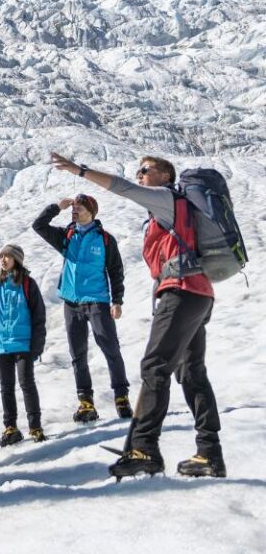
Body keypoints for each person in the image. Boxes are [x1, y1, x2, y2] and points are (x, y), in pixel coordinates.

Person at [51, 152, 226, 480]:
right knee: (191, 373)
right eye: (139, 170)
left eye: (146, 170)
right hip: (198, 294)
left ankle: (144, 448)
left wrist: (80, 170)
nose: (140, 174)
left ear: (165, 175)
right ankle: (209, 453)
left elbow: (124, 188)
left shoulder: (167, 199)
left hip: (181, 291)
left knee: (154, 367)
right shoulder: (174, 212)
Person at [32, 193, 132, 423]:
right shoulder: (66, 236)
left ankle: (121, 397)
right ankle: (86, 402)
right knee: (78, 354)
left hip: (97, 301)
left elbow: (115, 271)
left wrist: (117, 301)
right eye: (73, 208)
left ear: (91, 212)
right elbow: (39, 226)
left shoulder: (105, 239)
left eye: (79, 208)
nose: (74, 211)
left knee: (110, 348)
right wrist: (56, 207)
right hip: (71, 303)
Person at [0, 244, 47, 447]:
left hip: (23, 344)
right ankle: (11, 427)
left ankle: (35, 426)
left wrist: (37, 345)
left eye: (7, 256)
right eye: (1, 256)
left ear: (17, 260)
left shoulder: (28, 284)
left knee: (26, 384)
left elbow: (39, 315)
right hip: (1, 344)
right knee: (6, 387)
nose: (3, 260)